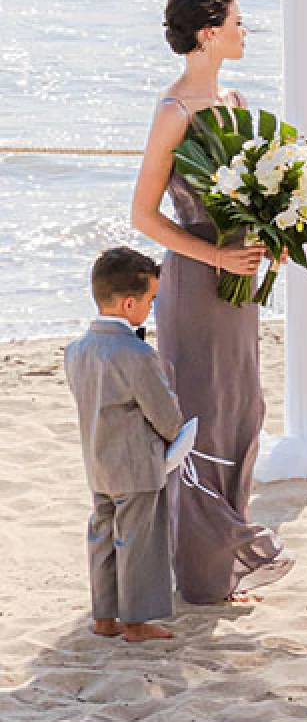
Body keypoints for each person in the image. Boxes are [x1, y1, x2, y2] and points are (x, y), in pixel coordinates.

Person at [128, 0, 290, 603]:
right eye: (239, 22)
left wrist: (272, 237)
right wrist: (217, 253)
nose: (247, 31)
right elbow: (145, 216)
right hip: (196, 285)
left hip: (240, 286)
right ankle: (203, 574)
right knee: (201, 419)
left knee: (242, 410)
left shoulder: (237, 99)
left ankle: (221, 568)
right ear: (207, 33)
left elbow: (248, 198)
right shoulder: (173, 112)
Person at [63, 247, 184, 643]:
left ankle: (103, 617)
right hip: (136, 465)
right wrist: (175, 436)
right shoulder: (136, 353)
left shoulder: (76, 350)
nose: (151, 308)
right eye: (150, 300)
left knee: (102, 535)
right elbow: (164, 414)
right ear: (129, 302)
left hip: (97, 461)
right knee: (138, 541)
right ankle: (135, 623)